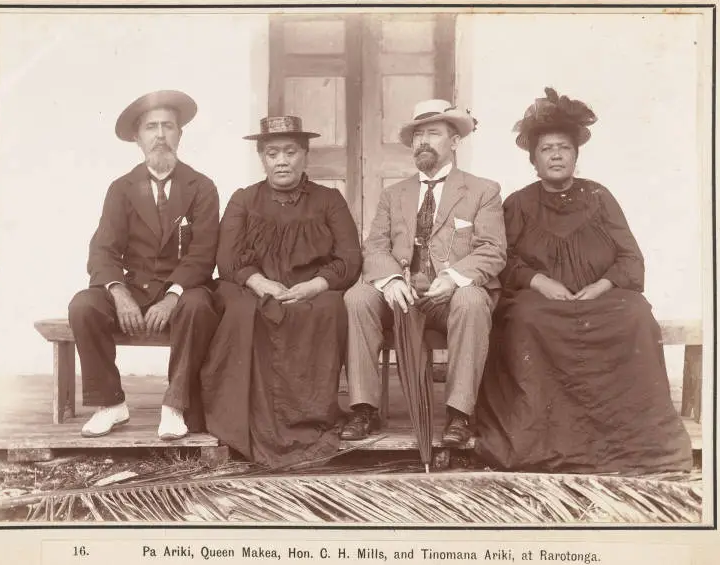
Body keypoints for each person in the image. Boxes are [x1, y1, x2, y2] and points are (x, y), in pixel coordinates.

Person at [474, 87, 693, 474]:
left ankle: (626, 441)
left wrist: (602, 286)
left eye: (563, 148)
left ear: (576, 155)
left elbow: (630, 257)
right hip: (540, 302)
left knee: (636, 313)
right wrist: (540, 282)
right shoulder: (519, 203)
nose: (556, 155)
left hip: (599, 299)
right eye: (546, 149)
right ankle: (542, 440)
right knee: (525, 318)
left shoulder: (599, 196)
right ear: (534, 160)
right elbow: (502, 260)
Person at [199, 116, 362, 468]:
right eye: (273, 153)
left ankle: (310, 416)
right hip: (256, 288)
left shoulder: (329, 200)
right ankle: (245, 421)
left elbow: (350, 258)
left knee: (329, 307)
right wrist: (260, 283)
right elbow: (226, 260)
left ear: (305, 155)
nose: (282, 160)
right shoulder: (244, 200)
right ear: (263, 158)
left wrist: (315, 285)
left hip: (312, 290)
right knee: (243, 311)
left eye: (290, 151)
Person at [341, 99, 507, 446]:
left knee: (473, 300)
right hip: (403, 293)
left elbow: (492, 249)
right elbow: (375, 246)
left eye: (433, 133)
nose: (423, 142)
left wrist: (453, 278)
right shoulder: (393, 194)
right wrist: (390, 280)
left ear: (455, 141)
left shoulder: (483, 190)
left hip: (451, 298)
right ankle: (363, 409)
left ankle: (459, 414)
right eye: (418, 135)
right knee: (358, 297)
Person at [69, 90, 221, 441]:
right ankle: (110, 404)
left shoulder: (202, 187)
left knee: (198, 306)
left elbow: (204, 252)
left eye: (168, 126)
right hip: (134, 288)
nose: (160, 135)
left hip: (184, 289)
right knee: (83, 306)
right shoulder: (121, 189)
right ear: (137, 139)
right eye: (151, 127)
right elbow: (103, 250)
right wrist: (119, 292)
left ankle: (175, 405)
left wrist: (172, 296)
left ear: (180, 134)